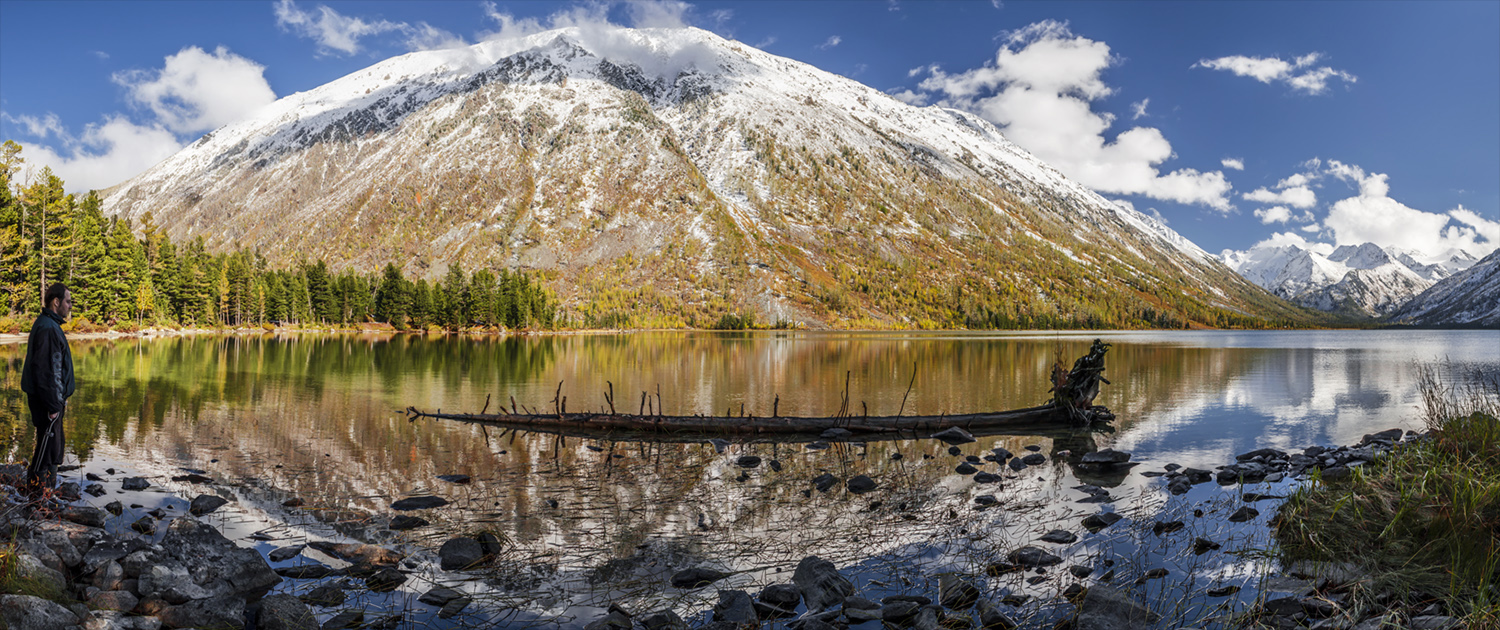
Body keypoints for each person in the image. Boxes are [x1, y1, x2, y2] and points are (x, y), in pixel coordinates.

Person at [21, 283, 75, 494]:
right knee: (44, 451)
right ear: (56, 302)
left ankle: (47, 495)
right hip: (47, 402)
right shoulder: (48, 328)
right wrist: (54, 404)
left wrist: (60, 398)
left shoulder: (49, 325)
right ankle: (35, 499)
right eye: (68, 301)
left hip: (52, 400)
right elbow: (47, 371)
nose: (70, 306)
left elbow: (55, 370)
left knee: (53, 449)